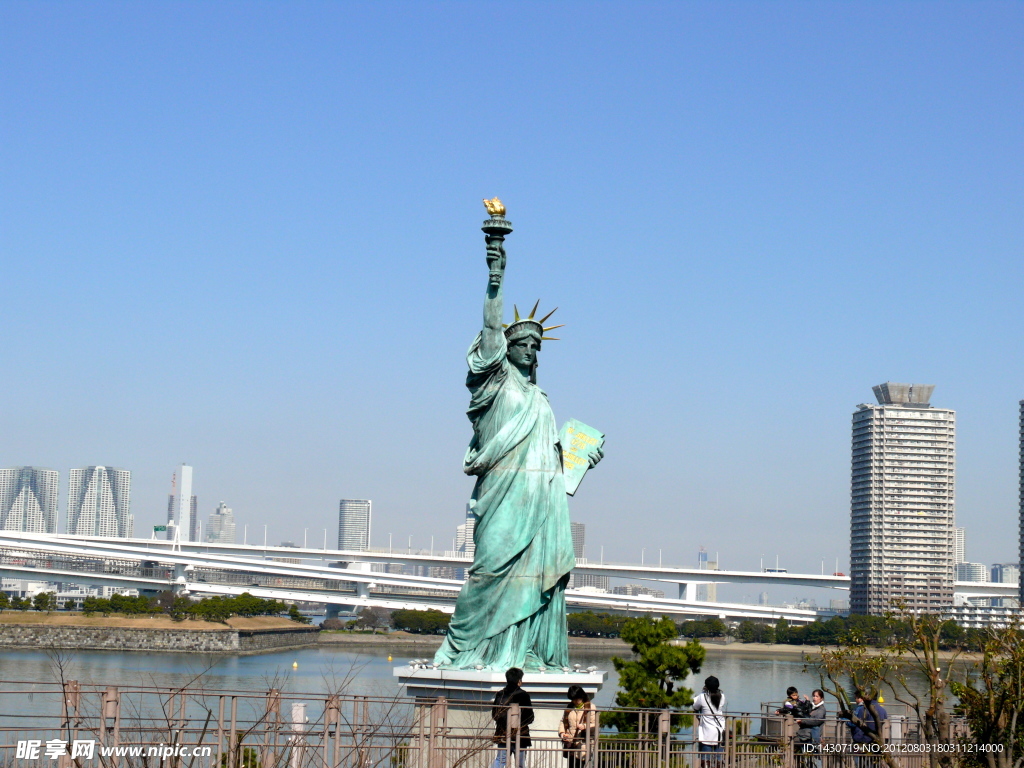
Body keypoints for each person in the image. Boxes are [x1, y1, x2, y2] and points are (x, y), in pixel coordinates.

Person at [434, 203, 603, 671]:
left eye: (535, 346)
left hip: (541, 500)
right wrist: (495, 267)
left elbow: (551, 462)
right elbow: (491, 323)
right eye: (521, 344)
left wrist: (580, 459)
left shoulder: (541, 398)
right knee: (489, 569)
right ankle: (472, 649)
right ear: (505, 349)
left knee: (536, 577)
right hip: (503, 497)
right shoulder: (494, 382)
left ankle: (526, 651)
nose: (529, 350)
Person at [492, 668, 535, 768]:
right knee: (520, 764)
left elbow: (494, 715)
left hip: (502, 733)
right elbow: (530, 717)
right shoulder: (523, 695)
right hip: (520, 734)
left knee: (500, 760)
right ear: (519, 681)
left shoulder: (500, 694)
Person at [692, 676, 727, 768]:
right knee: (718, 755)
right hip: (719, 729)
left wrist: (702, 692)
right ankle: (719, 765)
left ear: (706, 686)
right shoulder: (722, 696)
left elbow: (695, 706)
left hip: (707, 730)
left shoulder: (702, 696)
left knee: (705, 754)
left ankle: (706, 765)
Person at [559, 685, 596, 768]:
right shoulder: (569, 707)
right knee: (572, 764)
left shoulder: (590, 707)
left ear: (581, 696)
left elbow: (595, 724)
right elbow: (563, 721)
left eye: (576, 699)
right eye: (573, 699)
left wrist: (585, 726)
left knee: (583, 764)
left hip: (584, 743)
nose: (575, 701)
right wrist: (562, 733)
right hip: (571, 743)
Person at [796, 689, 826, 767]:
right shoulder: (812, 707)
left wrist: (803, 721)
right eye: (813, 696)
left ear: (821, 698)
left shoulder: (821, 709)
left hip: (812, 737)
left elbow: (816, 721)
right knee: (807, 759)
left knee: (815, 759)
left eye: (817, 696)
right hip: (805, 735)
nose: (814, 698)